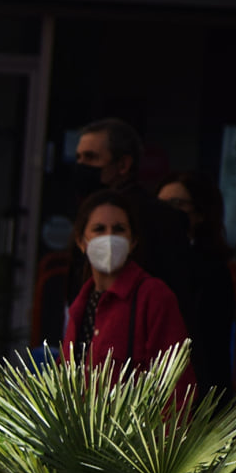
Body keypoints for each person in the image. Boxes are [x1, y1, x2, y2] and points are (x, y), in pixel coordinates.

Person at [61, 188, 193, 396]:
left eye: (119, 229)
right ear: (81, 242)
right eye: (99, 229)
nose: (110, 238)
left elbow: (176, 388)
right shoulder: (82, 303)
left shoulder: (153, 297)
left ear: (133, 242)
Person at [73, 119, 193, 335]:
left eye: (91, 157)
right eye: (79, 157)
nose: (82, 165)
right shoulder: (86, 210)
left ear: (123, 165)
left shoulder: (159, 218)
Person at [157, 172, 236, 392]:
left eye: (176, 203)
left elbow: (212, 343)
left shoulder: (212, 269)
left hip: (199, 388)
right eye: (160, 204)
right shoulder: (149, 261)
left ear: (200, 213)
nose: (165, 211)